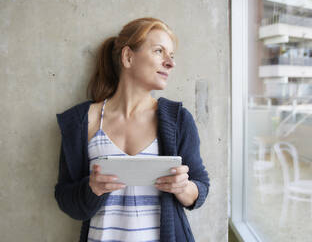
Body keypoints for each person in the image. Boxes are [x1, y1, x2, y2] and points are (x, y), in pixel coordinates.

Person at [54, 17, 210, 242]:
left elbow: (201, 186)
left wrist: (183, 188)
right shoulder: (81, 121)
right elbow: (65, 198)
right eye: (159, 51)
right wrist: (92, 189)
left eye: (172, 55)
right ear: (128, 56)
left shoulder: (178, 120)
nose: (170, 63)